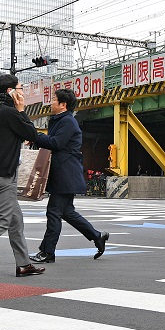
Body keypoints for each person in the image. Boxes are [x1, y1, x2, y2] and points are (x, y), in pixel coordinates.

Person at [29, 88, 109, 264]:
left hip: (65, 174)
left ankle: (47, 252)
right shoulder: (61, 120)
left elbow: (56, 143)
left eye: (54, 100)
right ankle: (97, 236)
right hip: (64, 173)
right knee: (67, 212)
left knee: (54, 212)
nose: (51, 102)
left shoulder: (68, 122)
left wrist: (35, 136)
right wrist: (38, 138)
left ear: (63, 105)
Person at [0, 74, 45, 277]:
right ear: (10, 92)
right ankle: (24, 264)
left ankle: (24, 264)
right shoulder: (10, 113)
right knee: (3, 221)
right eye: (20, 88)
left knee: (15, 220)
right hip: (4, 176)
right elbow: (32, 135)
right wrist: (21, 111)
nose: (22, 92)